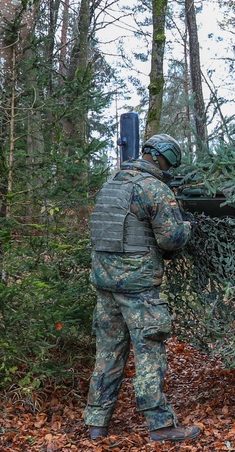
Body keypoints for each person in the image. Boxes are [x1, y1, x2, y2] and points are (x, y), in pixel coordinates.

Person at [85, 134, 200, 443]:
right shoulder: (154, 189)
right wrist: (188, 226)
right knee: (150, 350)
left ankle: (97, 423)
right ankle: (161, 426)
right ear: (164, 158)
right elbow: (170, 239)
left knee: (108, 352)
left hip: (105, 283)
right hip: (137, 286)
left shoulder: (111, 185)